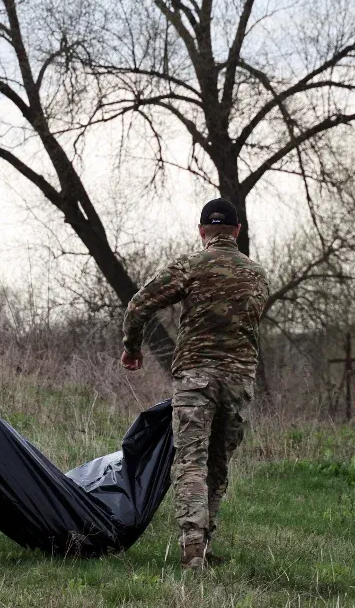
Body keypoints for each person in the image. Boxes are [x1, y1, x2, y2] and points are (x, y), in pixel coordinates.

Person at [121, 197, 270, 570]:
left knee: (191, 462)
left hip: (195, 379)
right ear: (237, 231)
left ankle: (192, 551)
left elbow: (138, 305)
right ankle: (203, 547)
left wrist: (132, 349)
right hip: (238, 381)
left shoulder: (190, 266)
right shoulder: (257, 275)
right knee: (218, 465)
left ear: (202, 231)